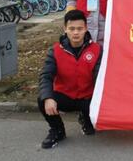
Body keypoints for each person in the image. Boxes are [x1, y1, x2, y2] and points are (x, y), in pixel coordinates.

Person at [37, 9, 102, 149]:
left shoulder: (97, 50)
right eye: (72, 29)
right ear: (65, 29)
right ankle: (58, 130)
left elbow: (99, 78)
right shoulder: (55, 51)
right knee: (43, 99)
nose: (76, 33)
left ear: (86, 28)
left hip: (88, 99)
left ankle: (86, 118)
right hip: (65, 96)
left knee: (92, 129)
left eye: (79, 28)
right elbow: (46, 76)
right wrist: (48, 98)